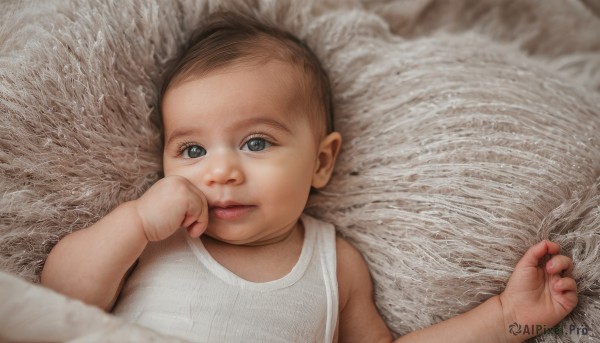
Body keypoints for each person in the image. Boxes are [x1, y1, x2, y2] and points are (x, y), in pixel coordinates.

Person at [41, 11, 578, 343]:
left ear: (321, 162)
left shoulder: (335, 265)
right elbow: (61, 294)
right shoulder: (156, 234)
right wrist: (134, 220)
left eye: (256, 143)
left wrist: (508, 317)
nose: (220, 170)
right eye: (192, 149)